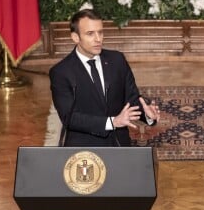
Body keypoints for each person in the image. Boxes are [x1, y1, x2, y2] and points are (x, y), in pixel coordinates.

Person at [49, 9, 160, 147]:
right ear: (75, 37)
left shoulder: (117, 60)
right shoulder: (61, 72)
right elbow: (69, 118)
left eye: (100, 32)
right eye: (90, 34)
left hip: (119, 145)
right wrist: (112, 122)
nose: (98, 39)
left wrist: (147, 115)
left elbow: (131, 100)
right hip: (84, 149)